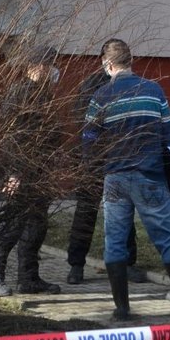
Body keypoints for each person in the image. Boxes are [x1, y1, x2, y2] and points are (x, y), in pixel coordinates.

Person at [81, 38, 170, 322]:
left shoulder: (100, 96)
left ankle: (122, 309)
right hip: (149, 176)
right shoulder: (154, 91)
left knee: (115, 241)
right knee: (166, 240)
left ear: (108, 64)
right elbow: (168, 137)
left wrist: (96, 167)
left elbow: (88, 139)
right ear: (131, 61)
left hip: (114, 178)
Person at [0, 52, 62, 298]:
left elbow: (45, 133)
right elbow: (14, 137)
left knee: (36, 226)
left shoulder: (42, 94)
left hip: (38, 171)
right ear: (38, 66)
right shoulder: (22, 93)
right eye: (51, 65)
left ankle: (29, 278)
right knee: (11, 224)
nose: (55, 71)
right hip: (21, 171)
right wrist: (15, 173)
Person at [65, 52, 146, 286]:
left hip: (115, 157)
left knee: (121, 212)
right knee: (87, 212)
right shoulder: (93, 85)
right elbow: (85, 124)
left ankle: (125, 262)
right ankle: (77, 264)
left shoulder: (128, 84)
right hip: (98, 158)